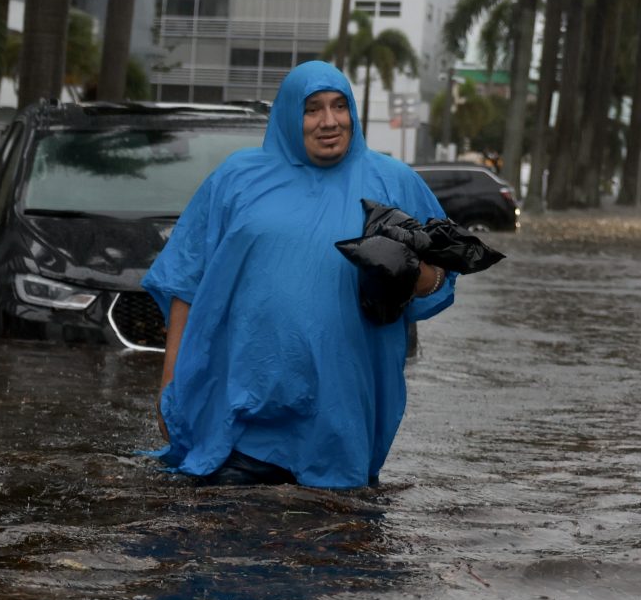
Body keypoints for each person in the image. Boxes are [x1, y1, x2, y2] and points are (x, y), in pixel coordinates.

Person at [144, 61, 455, 488]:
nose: (329, 122)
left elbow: (444, 276)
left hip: (341, 416)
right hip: (242, 416)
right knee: (223, 539)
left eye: (339, 106)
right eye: (312, 109)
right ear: (290, 114)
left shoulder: (392, 182)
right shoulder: (238, 179)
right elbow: (186, 280)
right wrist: (170, 382)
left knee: (334, 541)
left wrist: (414, 273)